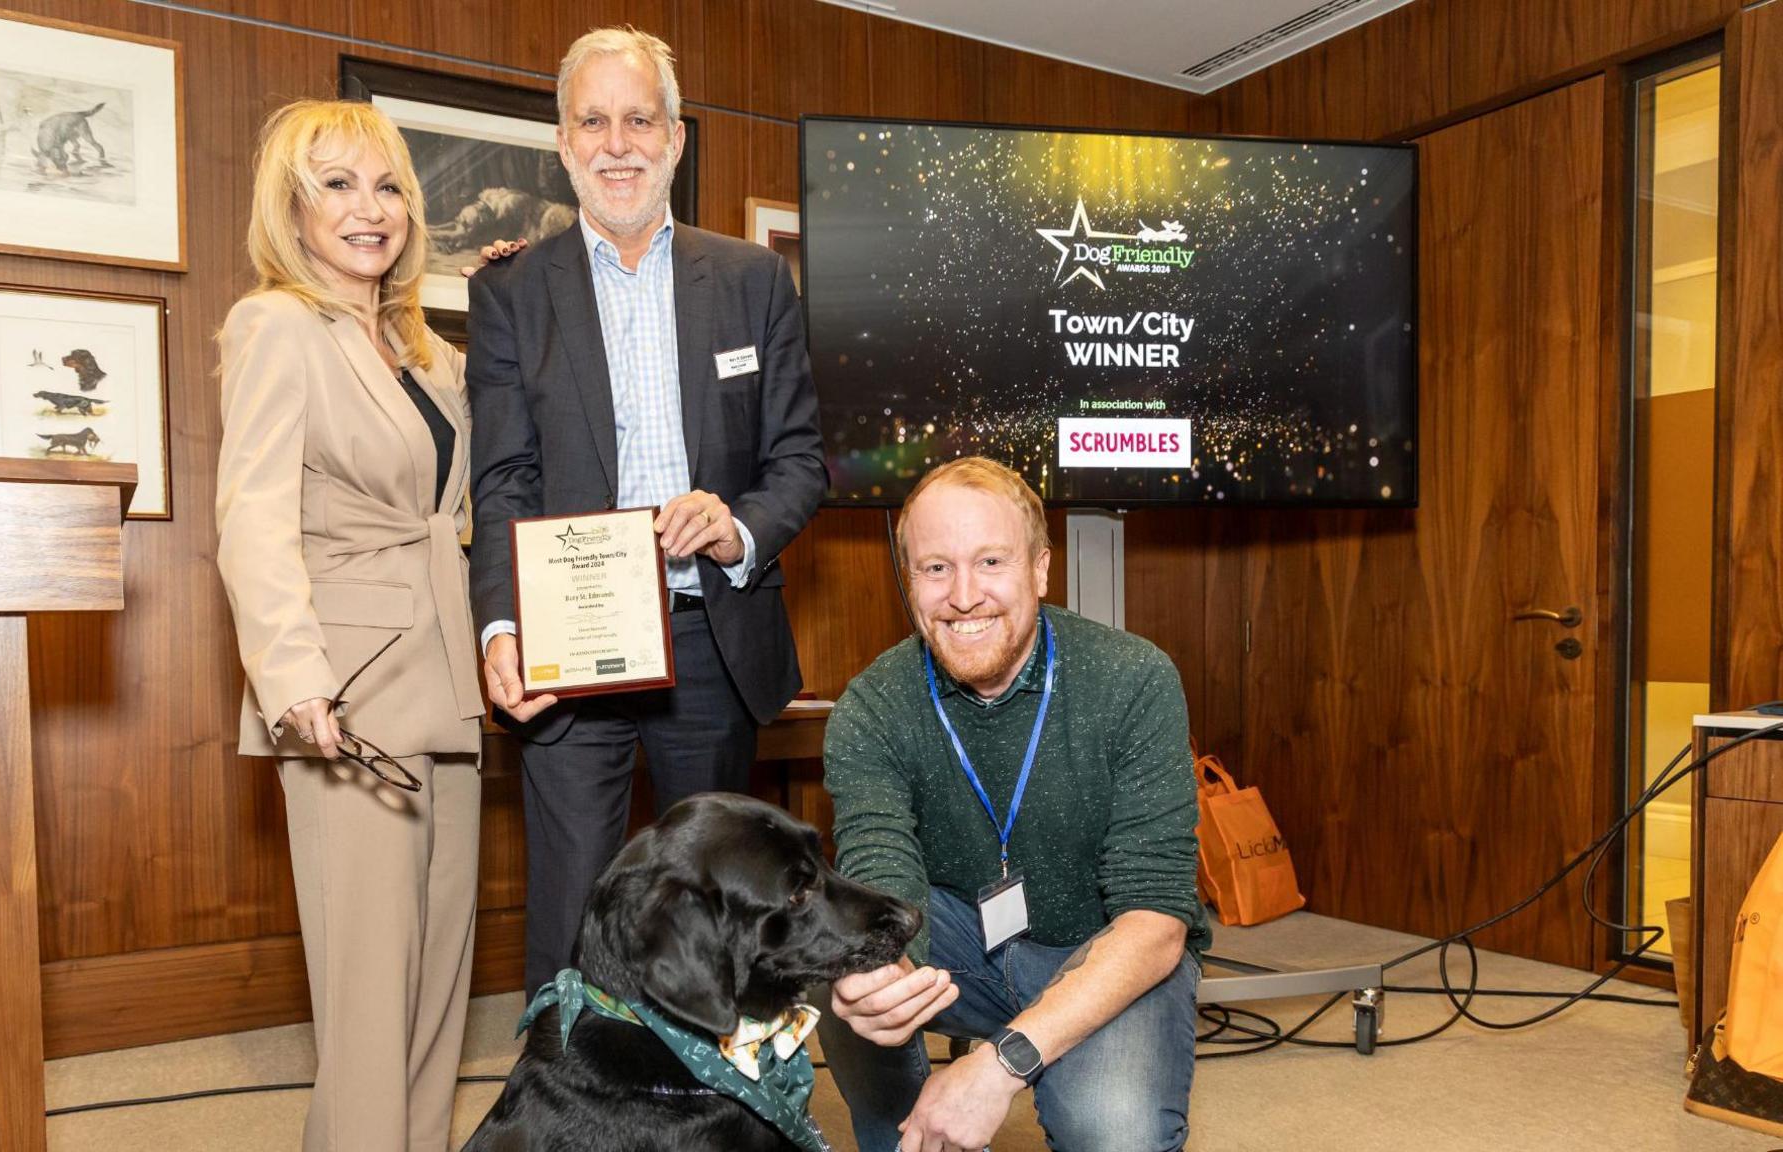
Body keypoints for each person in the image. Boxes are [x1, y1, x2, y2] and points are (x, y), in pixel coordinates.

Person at [465, 25, 826, 991]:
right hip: (569, 646)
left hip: (712, 637)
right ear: (562, 142)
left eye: (640, 119)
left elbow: (799, 460)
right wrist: (501, 622)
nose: (617, 142)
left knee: (721, 913)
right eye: (593, 120)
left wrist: (739, 525)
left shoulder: (752, 282)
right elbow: (502, 478)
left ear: (675, 138)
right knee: (577, 910)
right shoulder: (509, 292)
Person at [214, 98, 484, 1152]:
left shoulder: (419, 349)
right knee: (370, 1000)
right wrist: (293, 680)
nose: (367, 209)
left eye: (386, 188)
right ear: (291, 207)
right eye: (335, 184)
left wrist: (505, 294)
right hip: (348, 694)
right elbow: (251, 514)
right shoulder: (276, 324)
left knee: (432, 995)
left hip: (448, 684)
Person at [815, 457, 1208, 1152]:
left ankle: (979, 1086)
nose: (963, 596)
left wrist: (999, 1068)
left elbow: (1155, 924)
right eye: (935, 568)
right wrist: (878, 979)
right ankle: (910, 1135)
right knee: (829, 941)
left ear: (1040, 569)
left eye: (990, 561)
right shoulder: (872, 706)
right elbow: (879, 875)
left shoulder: (1133, 679)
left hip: (1104, 947)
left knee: (1115, 1133)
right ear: (909, 580)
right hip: (961, 944)